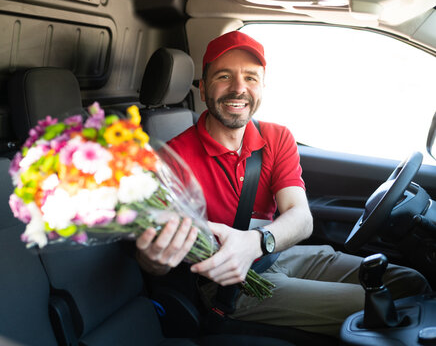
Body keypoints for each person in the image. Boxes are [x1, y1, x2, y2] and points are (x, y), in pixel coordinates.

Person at [134, 30, 431, 336]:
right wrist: (153, 259)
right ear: (203, 88)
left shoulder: (277, 137)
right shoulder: (171, 161)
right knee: (381, 303)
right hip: (229, 280)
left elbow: (301, 218)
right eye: (224, 76)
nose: (239, 88)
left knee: (412, 283)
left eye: (251, 77)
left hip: (280, 253)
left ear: (262, 87)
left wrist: (258, 242)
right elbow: (156, 258)